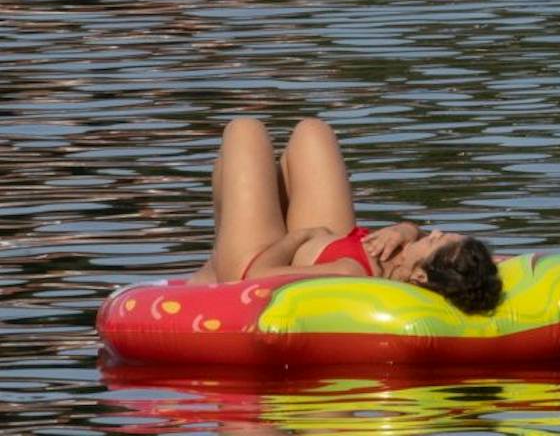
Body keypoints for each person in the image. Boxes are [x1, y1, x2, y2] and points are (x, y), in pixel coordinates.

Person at [180, 117, 500, 311]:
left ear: (420, 276)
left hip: (262, 257)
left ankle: (215, 265)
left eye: (435, 241)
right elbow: (494, 266)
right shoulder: (410, 256)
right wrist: (405, 229)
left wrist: (300, 236)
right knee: (312, 131)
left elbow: (255, 277)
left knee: (245, 131)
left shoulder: (350, 273)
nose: (435, 232)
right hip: (329, 239)